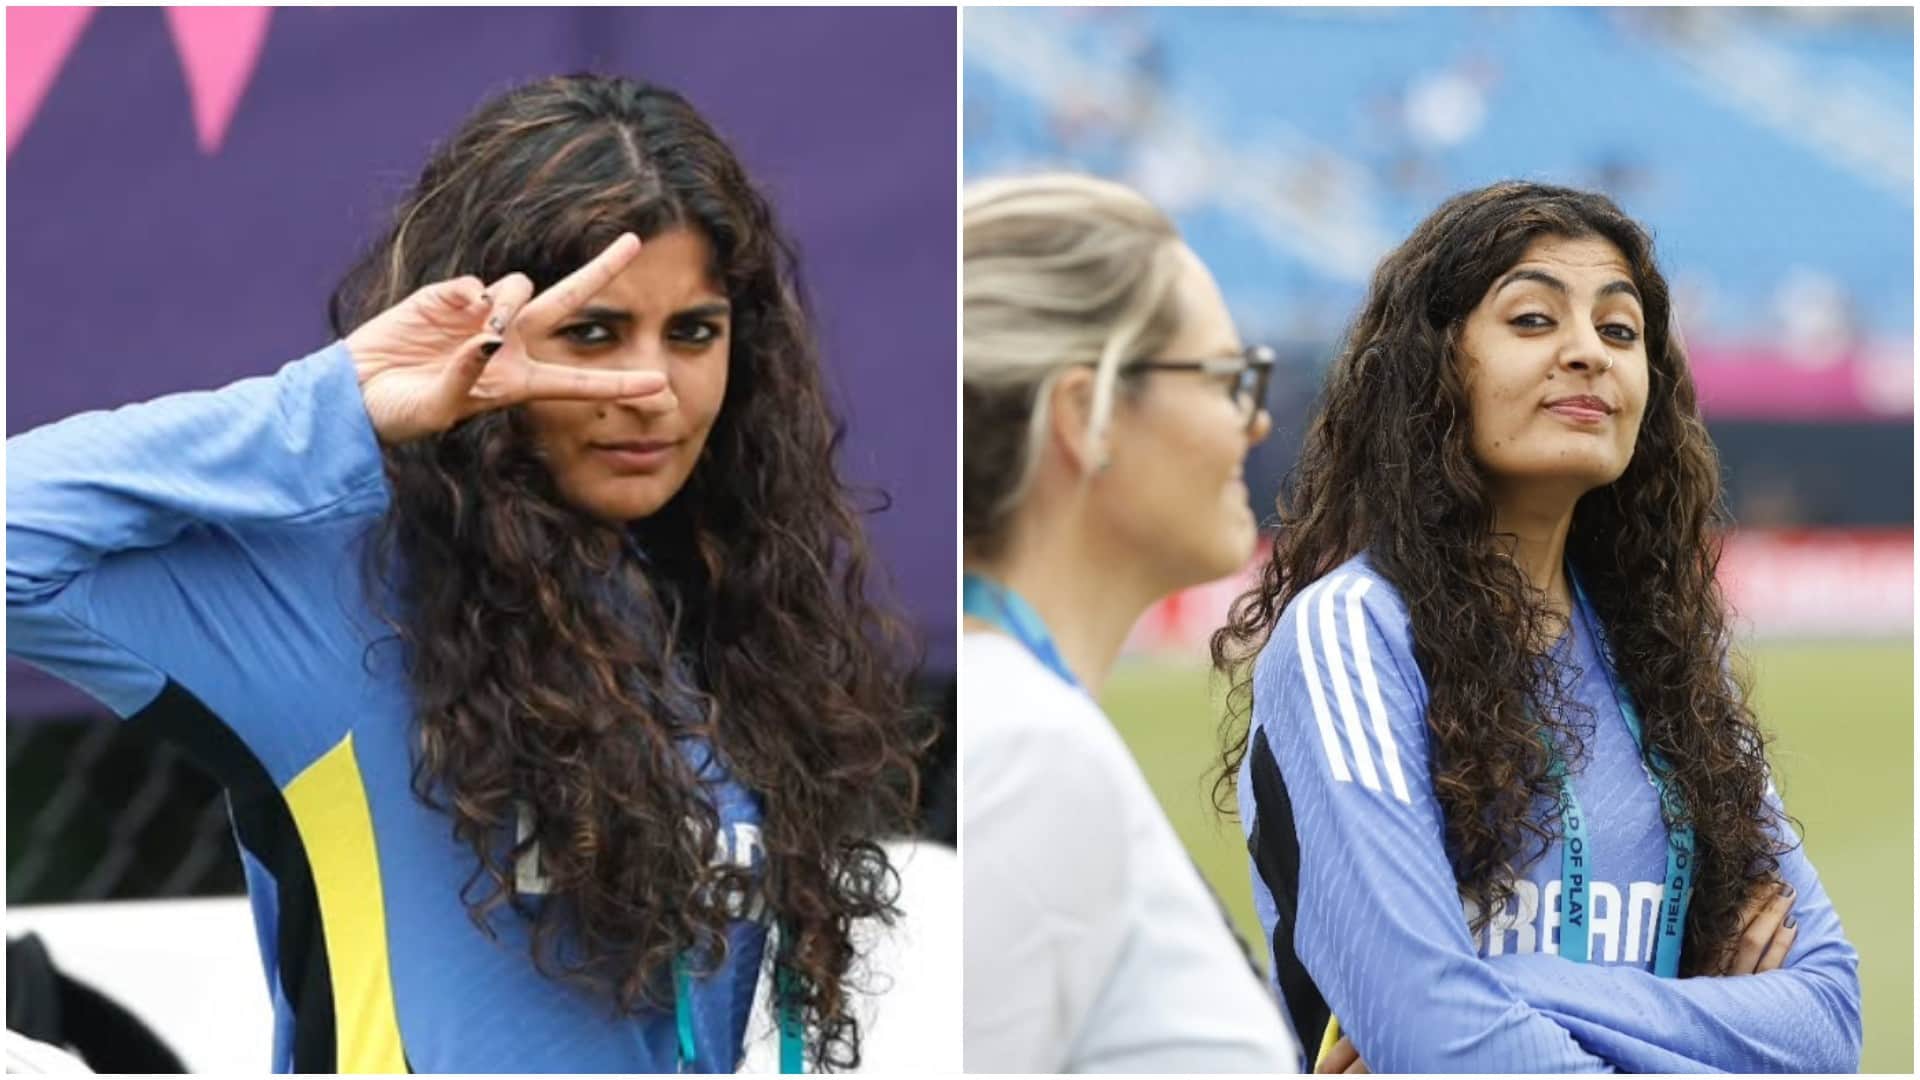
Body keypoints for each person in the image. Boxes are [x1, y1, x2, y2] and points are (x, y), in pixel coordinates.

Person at [7, 75, 927, 1074]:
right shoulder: (330, 604)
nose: (651, 387)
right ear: (479, 333)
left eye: (694, 332)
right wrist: (336, 403)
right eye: (592, 332)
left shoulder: (724, 617)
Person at [1212, 180, 1862, 1072]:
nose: (1588, 352)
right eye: (1532, 320)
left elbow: (1827, 1023)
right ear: (1435, 368)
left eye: (1621, 331)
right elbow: (1431, 1031)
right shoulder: (1355, 632)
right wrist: (1700, 1024)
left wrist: (1510, 985)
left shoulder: (1670, 656)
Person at [961, 173, 1301, 1072]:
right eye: (1227, 378)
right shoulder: (1024, 748)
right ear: (1089, 414)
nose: (1257, 421)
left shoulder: (1000, 717)